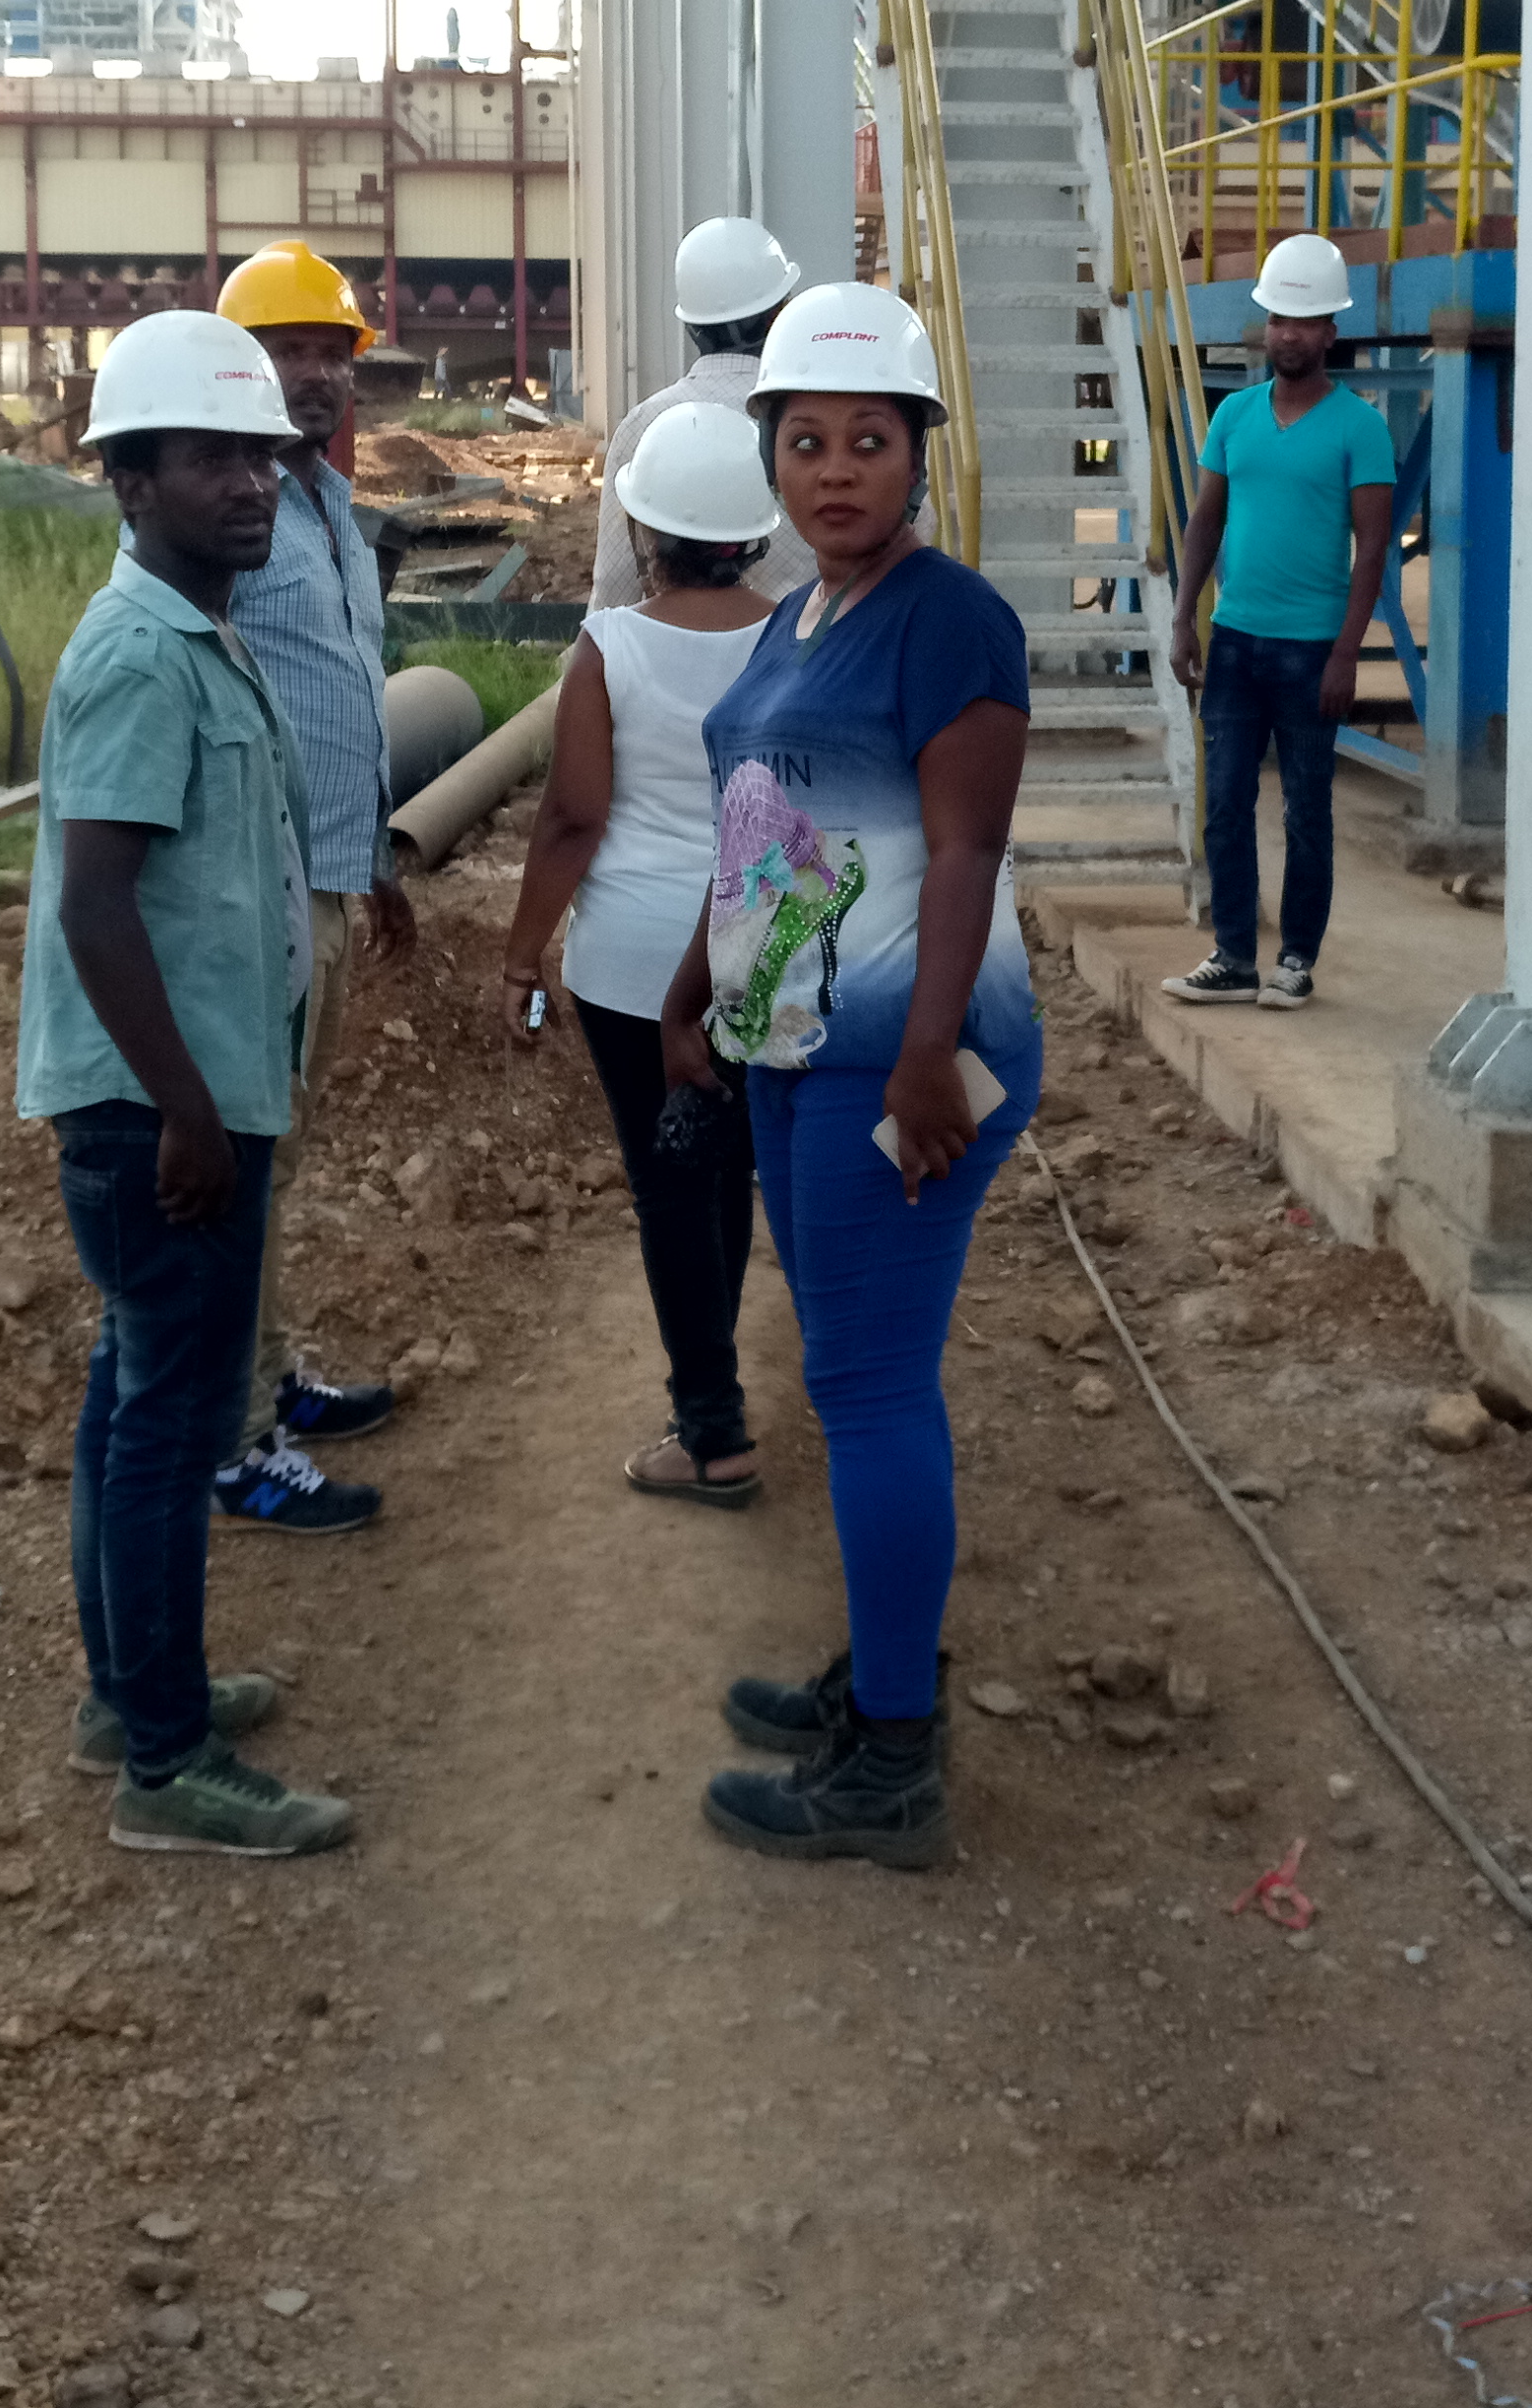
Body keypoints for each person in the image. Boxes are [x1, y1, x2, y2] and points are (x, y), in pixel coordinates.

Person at [657, 281, 1039, 1870]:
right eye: (804, 442)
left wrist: (935, 1050)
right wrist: (690, 997)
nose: (833, 469)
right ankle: (880, 1670)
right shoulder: (793, 622)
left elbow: (961, 847)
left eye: (866, 442)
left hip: (895, 1054)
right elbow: (757, 835)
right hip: (792, 1048)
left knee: (868, 1389)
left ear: (916, 451)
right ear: (769, 457)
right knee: (845, 1370)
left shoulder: (949, 620)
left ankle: (892, 1760)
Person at [16, 308, 354, 1857]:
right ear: (128, 483)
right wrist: (192, 1114)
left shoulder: (193, 631)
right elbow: (97, 904)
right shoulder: (141, 653)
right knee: (171, 1422)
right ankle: (167, 1764)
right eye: (210, 458)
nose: (250, 484)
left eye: (262, 458)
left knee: (127, 1397)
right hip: (167, 1111)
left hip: (187, 1093)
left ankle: (127, 1697)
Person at [496, 398, 780, 1507]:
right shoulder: (801, 631)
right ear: (756, 529)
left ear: (641, 533)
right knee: (728, 1169)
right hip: (755, 947)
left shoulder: (608, 648)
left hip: (627, 967)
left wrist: (522, 955)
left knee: (668, 1186)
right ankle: (715, 1398)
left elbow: (571, 820)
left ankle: (711, 1430)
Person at [201, 239, 411, 1535]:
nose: (320, 376)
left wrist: (378, 855)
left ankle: (270, 1377)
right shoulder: (222, 520)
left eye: (333, 354)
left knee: (277, 1154)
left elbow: (342, 696)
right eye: (291, 351)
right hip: (261, 890)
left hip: (333, 873)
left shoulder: (324, 507)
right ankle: (238, 1441)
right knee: (249, 1156)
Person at [1161, 231, 1396, 1010]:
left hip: (1309, 652)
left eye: (1307, 321)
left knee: (1306, 809)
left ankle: (1295, 960)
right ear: (1265, 326)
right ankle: (1232, 957)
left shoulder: (1360, 428)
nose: (1290, 335)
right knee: (1224, 801)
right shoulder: (1233, 416)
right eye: (1279, 320)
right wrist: (1184, 620)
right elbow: (1205, 521)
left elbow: (1371, 554)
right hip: (1234, 640)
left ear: (1332, 331)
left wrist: (1345, 654)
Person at [588, 214, 817, 609]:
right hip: (817, 658)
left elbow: (614, 584)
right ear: (779, 313)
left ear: (693, 327)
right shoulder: (830, 423)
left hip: (681, 660)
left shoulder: (644, 426)